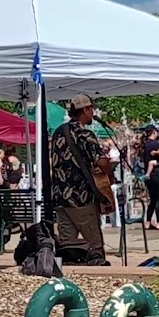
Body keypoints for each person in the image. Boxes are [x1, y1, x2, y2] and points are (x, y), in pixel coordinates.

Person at [50, 94, 114, 262]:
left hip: (60, 198)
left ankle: (70, 279)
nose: (93, 112)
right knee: (94, 246)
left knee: (68, 247)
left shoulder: (58, 132)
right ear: (85, 109)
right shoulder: (85, 134)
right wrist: (110, 168)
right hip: (81, 199)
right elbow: (102, 164)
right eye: (91, 108)